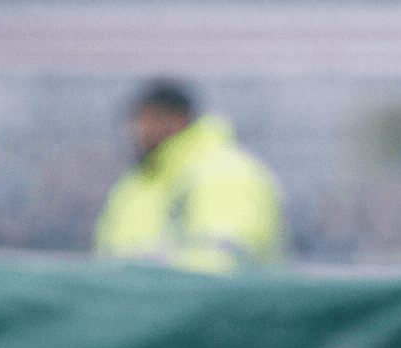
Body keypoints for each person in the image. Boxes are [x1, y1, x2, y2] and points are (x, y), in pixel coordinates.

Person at [93, 80, 284, 274]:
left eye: (143, 122)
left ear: (175, 120)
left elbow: (220, 269)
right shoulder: (136, 185)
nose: (134, 133)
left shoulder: (226, 174)